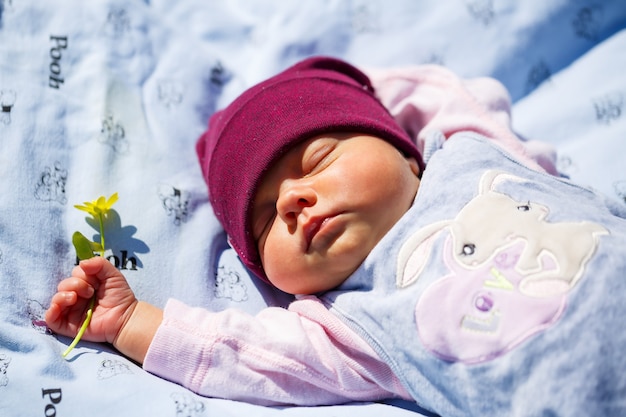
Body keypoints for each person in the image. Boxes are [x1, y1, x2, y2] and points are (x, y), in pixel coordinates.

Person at [45, 57, 626, 416]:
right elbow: (241, 355)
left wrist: (355, 84)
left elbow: (441, 89)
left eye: (319, 158)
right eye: (266, 218)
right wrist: (126, 323)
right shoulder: (354, 326)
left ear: (405, 151)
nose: (294, 199)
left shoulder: (476, 151)